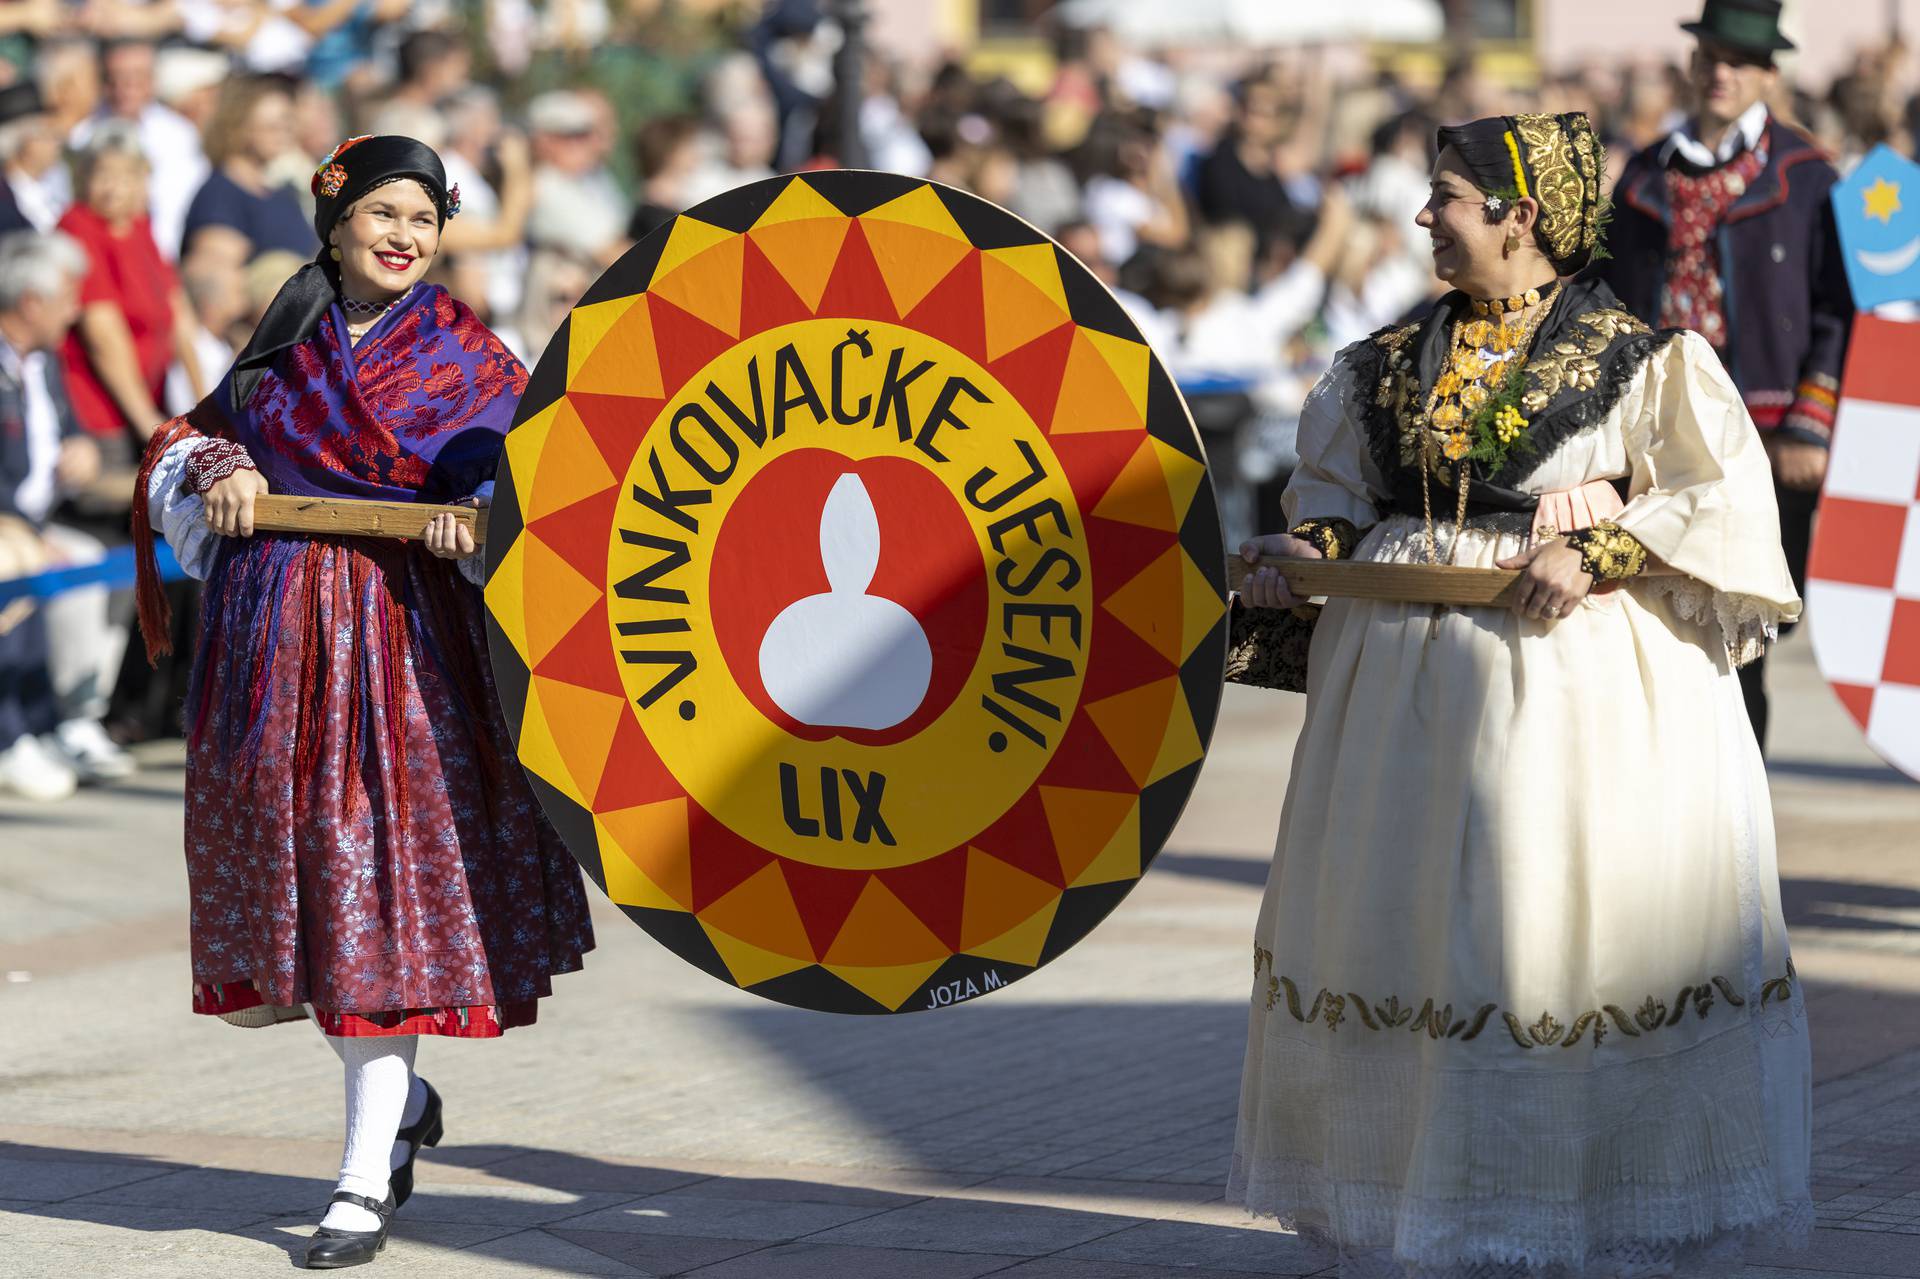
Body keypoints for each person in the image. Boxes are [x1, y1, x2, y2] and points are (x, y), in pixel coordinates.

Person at [1230, 112, 1809, 1275]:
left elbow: (1723, 501)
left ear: (1519, 215)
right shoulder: (1382, 361)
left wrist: (1601, 547)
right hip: (1399, 697)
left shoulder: (1642, 361)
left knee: (1539, 928)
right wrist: (1307, 553)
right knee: (1408, 926)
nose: (1422, 218)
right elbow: (1338, 492)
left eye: (1443, 195)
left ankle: (1564, 1212)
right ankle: (1417, 1207)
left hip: (1570, 696)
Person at [132, 135, 594, 1267]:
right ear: (333, 221)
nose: (404, 235)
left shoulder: (471, 353)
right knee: (315, 900)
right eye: (384, 212)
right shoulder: (281, 344)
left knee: (372, 896)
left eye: (424, 219)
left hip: (404, 661)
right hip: (273, 659)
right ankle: (394, 1113)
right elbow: (189, 437)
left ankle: (357, 1180)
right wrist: (217, 470)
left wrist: (477, 511)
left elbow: (532, 476)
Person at [1601, 0, 1851, 752]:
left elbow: (1838, 310)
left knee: (1744, 637)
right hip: (1659, 433)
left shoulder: (1807, 176)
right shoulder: (1647, 171)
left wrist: (1809, 422)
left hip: (1766, 437)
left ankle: (1741, 820)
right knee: (1658, 630)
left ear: (1768, 74)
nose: (1720, 73)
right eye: (1710, 57)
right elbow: (1609, 300)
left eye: (1739, 61)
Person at [0, 229, 134, 794]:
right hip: (10, 524)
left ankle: (71, 716)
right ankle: (13, 732)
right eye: (66, 298)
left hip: (39, 516)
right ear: (31, 301)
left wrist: (77, 446)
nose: (75, 311)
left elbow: (65, 428)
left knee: (113, 568)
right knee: (25, 565)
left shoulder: (44, 361)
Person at [59, 123, 206, 457]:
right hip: (100, 414)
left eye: (124, 176)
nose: (113, 189)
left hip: (150, 400)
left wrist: (205, 401)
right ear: (83, 180)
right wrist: (149, 426)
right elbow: (103, 337)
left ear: (143, 180)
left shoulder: (140, 226)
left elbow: (177, 312)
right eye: (102, 176)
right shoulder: (77, 226)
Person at [181, 76, 317, 271]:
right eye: (275, 125)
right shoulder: (220, 196)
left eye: (288, 121)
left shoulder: (282, 193)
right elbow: (215, 289)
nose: (285, 130)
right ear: (239, 124)